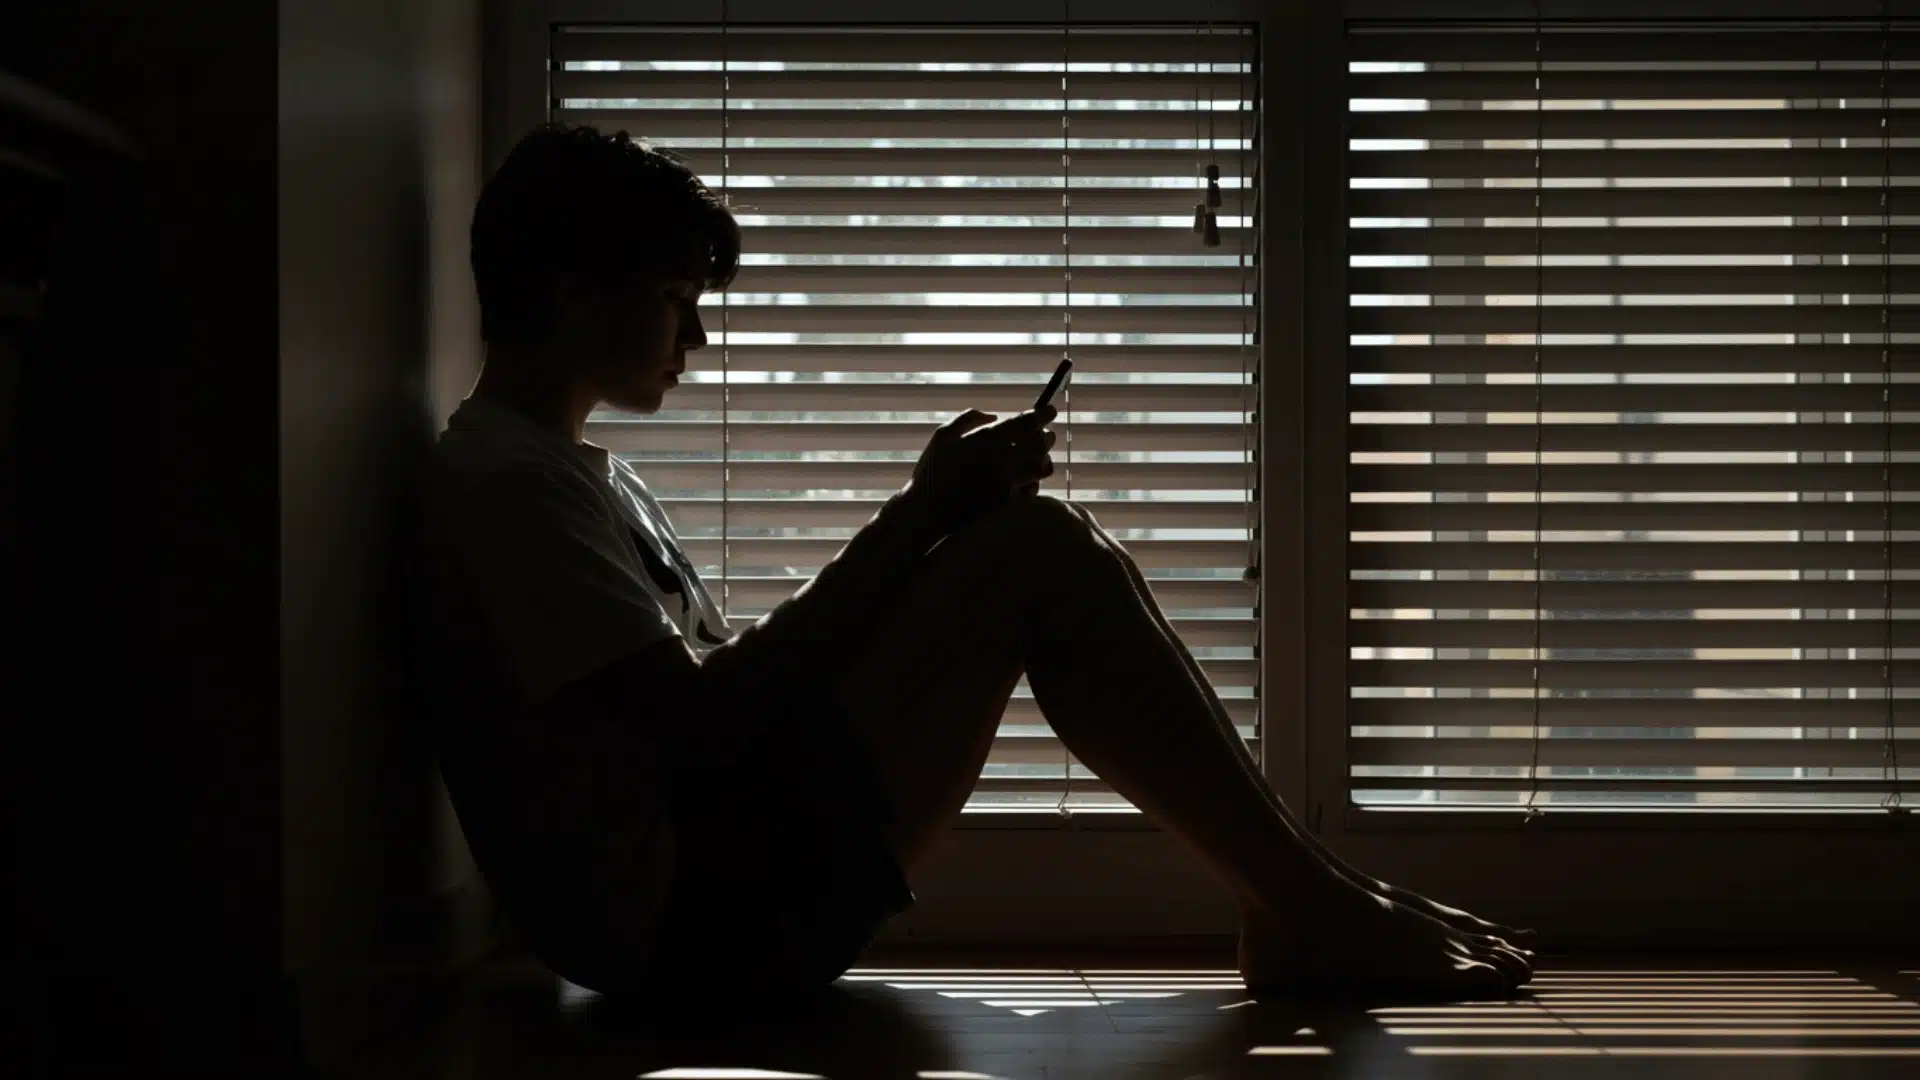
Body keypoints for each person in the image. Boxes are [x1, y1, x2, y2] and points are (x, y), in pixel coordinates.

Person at [416, 123, 1535, 1007]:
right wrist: (917, 523)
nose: (696, 337)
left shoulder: (577, 475)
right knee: (1034, 555)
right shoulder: (507, 485)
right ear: (569, 291)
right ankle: (1304, 904)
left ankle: (1308, 894)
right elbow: (700, 734)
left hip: (723, 887)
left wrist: (934, 529)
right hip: (695, 930)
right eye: (674, 300)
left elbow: (737, 710)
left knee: (1023, 546)